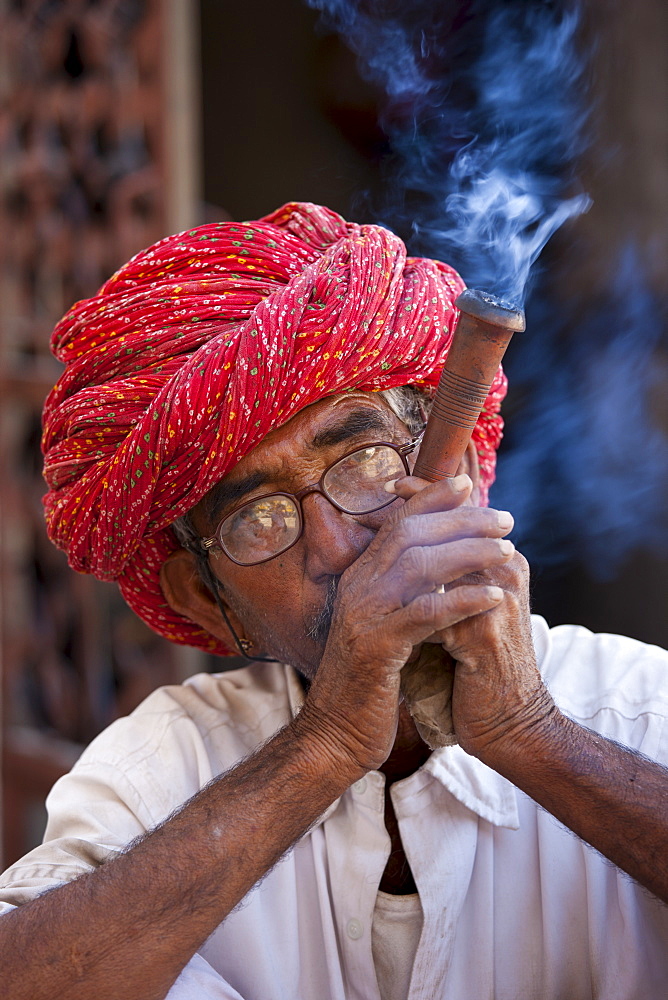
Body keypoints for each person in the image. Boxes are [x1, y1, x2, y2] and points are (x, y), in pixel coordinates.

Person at [0, 202, 667, 1000]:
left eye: (367, 463)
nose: (338, 547)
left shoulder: (638, 712)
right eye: (260, 518)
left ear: (461, 482)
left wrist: (532, 734)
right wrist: (328, 742)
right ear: (208, 602)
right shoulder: (162, 768)